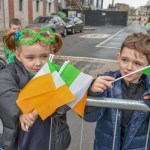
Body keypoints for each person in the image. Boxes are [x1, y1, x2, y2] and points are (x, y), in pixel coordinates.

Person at [0, 28, 71, 150]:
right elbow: (4, 90)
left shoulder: (58, 73)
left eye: (44, 56)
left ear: (51, 52)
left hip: (50, 140)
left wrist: (92, 86)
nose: (38, 63)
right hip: (19, 141)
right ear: (19, 56)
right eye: (30, 58)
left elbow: (72, 91)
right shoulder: (11, 73)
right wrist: (21, 111)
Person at [84, 32, 150, 150]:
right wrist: (94, 92)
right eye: (125, 60)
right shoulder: (106, 82)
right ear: (118, 58)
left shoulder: (148, 89)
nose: (129, 67)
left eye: (137, 63)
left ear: (148, 66)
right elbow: (90, 117)